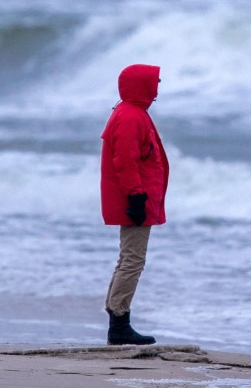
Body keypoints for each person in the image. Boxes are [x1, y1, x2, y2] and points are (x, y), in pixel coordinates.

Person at [99, 63, 170, 345]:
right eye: (155, 82)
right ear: (142, 85)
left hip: (137, 196)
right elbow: (126, 161)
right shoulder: (130, 116)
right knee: (133, 260)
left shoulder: (133, 113)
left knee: (128, 259)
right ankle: (119, 323)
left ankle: (118, 321)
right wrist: (137, 197)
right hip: (134, 198)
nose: (157, 86)